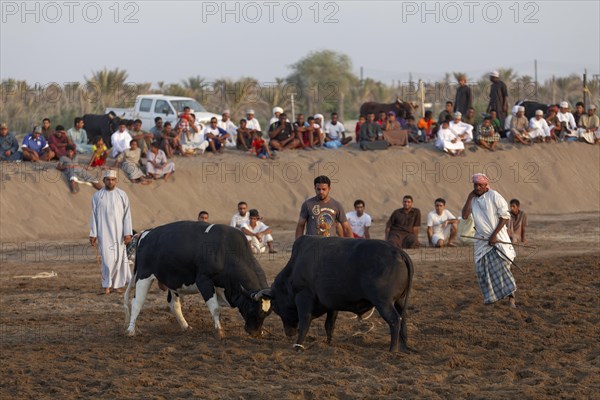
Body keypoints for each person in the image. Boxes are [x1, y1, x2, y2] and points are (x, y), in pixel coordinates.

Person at [461, 173, 517, 307]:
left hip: (497, 238)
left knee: (502, 267)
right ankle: (491, 298)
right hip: (481, 240)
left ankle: (511, 298)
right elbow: (464, 216)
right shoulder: (473, 199)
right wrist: (469, 197)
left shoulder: (494, 196)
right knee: (481, 270)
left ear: (486, 185)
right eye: (476, 185)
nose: (478, 187)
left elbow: (505, 217)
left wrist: (494, 235)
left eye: (480, 185)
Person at [90, 169, 133, 295]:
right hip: (104, 233)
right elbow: (93, 215)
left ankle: (116, 285)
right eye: (108, 179)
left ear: (116, 181)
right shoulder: (98, 196)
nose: (110, 182)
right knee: (108, 260)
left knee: (119, 259)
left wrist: (127, 233)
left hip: (119, 233)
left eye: (113, 180)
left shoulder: (122, 195)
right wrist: (93, 234)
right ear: (104, 181)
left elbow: (127, 215)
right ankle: (106, 285)